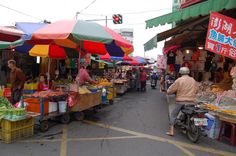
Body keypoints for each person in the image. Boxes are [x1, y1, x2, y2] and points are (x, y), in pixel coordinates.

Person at [166, 67, 198, 136]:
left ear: (180, 73)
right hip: (191, 102)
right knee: (189, 113)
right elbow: (197, 90)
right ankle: (184, 126)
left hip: (181, 101)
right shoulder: (193, 80)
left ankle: (171, 131)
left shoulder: (179, 80)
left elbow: (170, 90)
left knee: (173, 115)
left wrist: (168, 92)